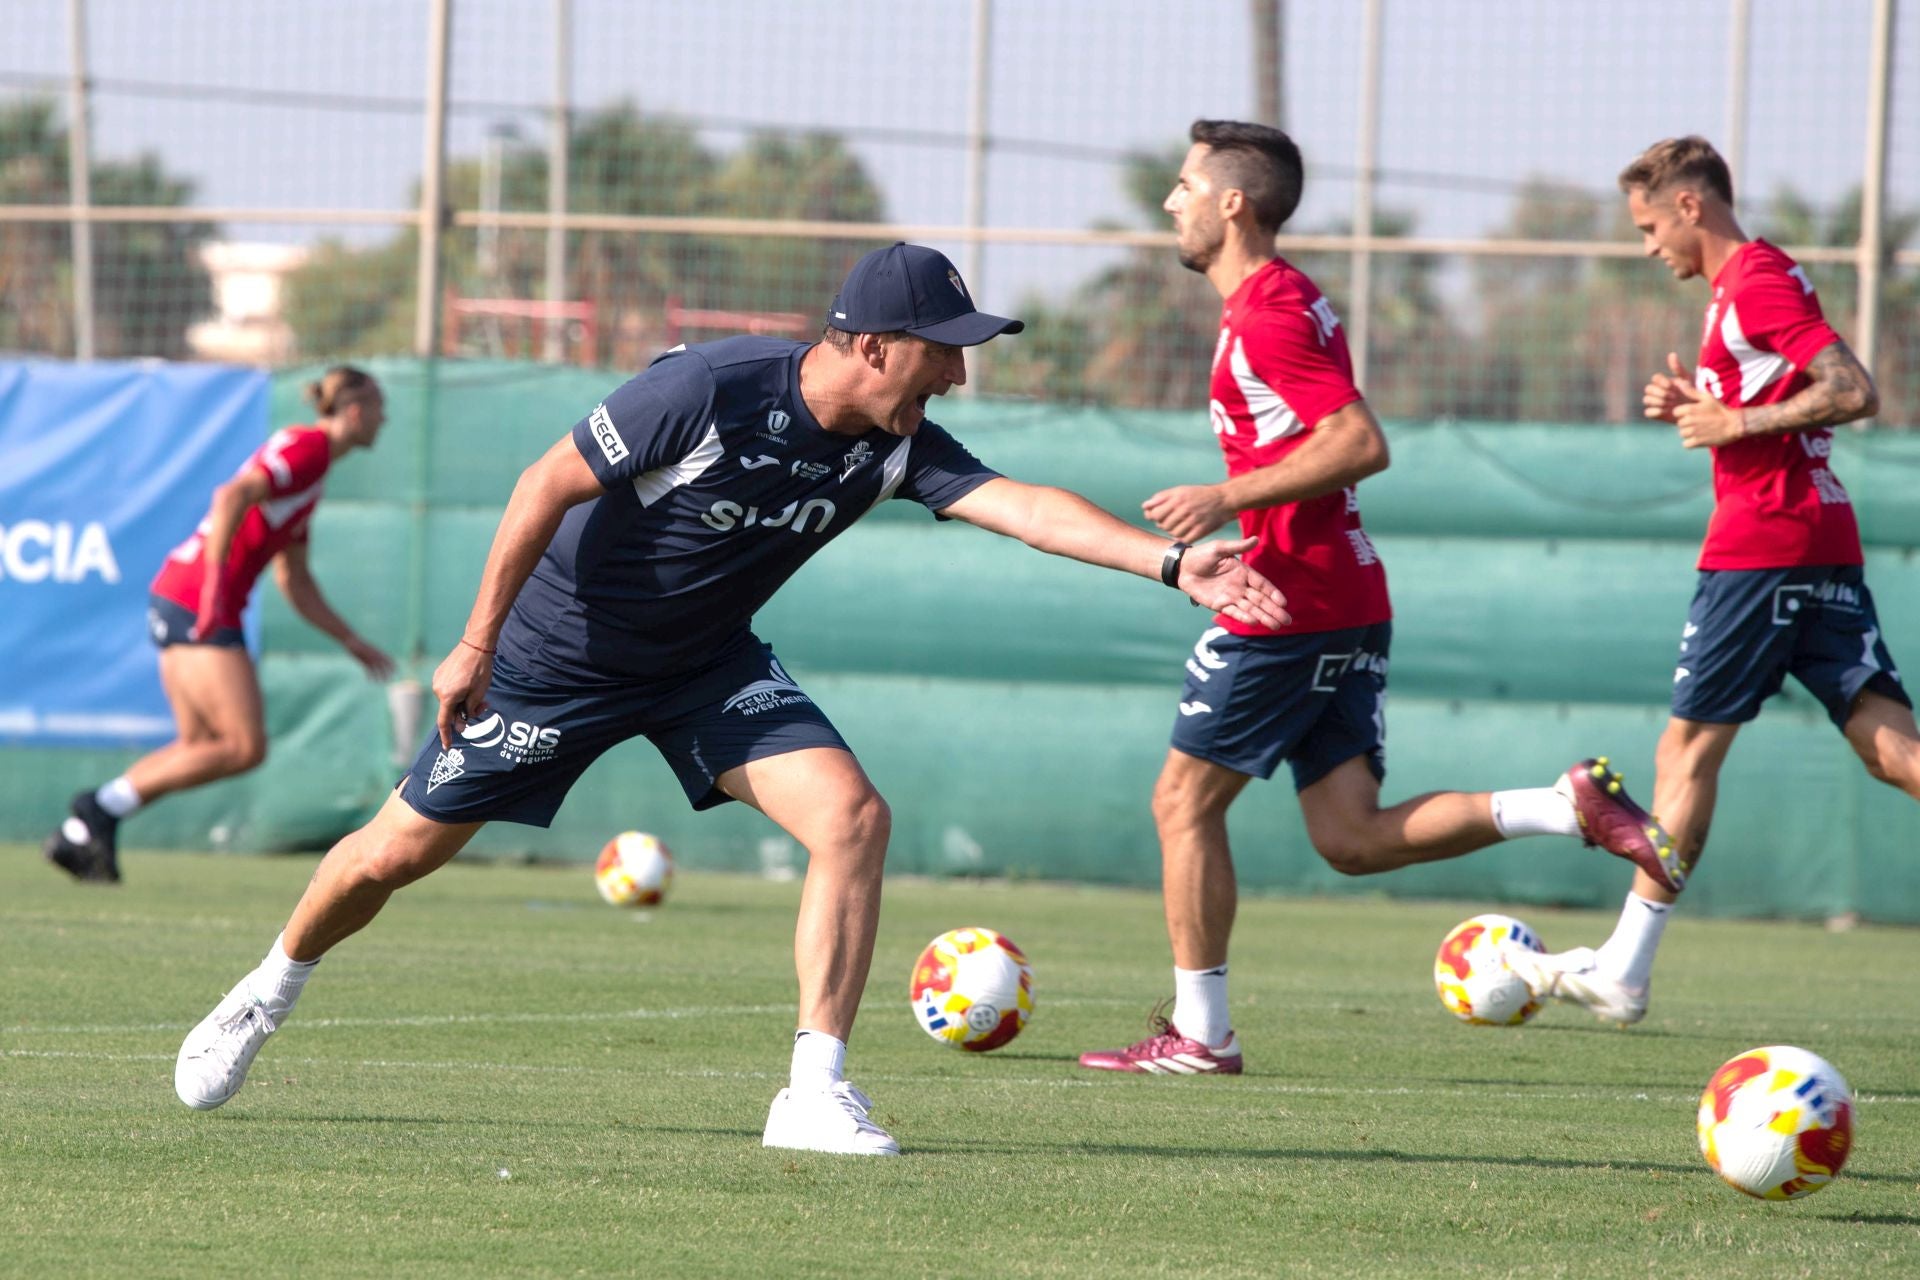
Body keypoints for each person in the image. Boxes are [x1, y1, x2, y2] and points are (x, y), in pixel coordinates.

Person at [169, 242, 1289, 1156]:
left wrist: (1168, 565)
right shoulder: (708, 388)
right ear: (868, 342)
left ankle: (811, 1091)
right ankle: (268, 988)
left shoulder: (891, 445)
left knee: (853, 817)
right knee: (388, 856)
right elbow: (544, 482)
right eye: (941, 353)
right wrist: (476, 642)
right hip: (561, 659)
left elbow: (1023, 504)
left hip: (708, 665)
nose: (956, 374)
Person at [1076, 120, 1678, 1078]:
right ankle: (1564, 808)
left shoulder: (1270, 309)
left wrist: (1224, 496)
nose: (1171, 202)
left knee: (1181, 804)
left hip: (1289, 601)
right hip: (1342, 594)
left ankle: (1201, 1037)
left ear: (1234, 203)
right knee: (1351, 837)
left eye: (1186, 186)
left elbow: (1360, 441)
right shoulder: (1283, 300)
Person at [1505, 135, 1911, 1024]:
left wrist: (1732, 422)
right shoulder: (1739, 289)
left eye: (1650, 225)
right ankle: (1624, 964)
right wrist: (1703, 408)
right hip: (1817, 536)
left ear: (1690, 206)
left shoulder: (1756, 277)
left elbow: (1853, 389)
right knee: (1891, 752)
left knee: (1686, 753)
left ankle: (1626, 967)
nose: (1648, 246)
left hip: (1764, 547)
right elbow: (1772, 403)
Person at [43, 367, 396, 884]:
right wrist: (214, 589)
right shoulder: (308, 448)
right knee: (242, 746)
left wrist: (349, 639)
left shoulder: (312, 472)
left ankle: (89, 826)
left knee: (200, 744)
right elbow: (230, 496)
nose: (385, 420)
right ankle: (98, 807)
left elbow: (294, 580)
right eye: (380, 408)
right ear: (356, 411)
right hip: (198, 599)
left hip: (177, 594)